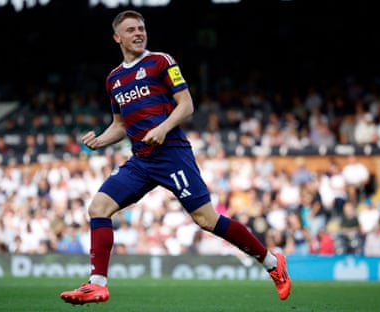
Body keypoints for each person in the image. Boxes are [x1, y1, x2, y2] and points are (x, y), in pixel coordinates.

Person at [60, 10, 291, 305]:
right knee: (99, 207)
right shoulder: (114, 80)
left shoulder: (161, 61)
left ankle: (273, 263)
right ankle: (97, 284)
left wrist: (163, 127)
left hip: (172, 154)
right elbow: (120, 125)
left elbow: (186, 106)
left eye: (141, 28)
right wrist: (100, 140)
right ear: (117, 37)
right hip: (141, 160)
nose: (138, 33)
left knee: (207, 220)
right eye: (130, 30)